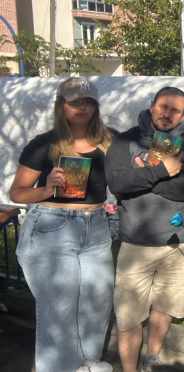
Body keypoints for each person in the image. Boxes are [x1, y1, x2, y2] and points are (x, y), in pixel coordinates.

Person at [10, 78, 114, 372]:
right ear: (61, 105)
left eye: (89, 102)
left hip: (95, 227)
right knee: (59, 312)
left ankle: (86, 364)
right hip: (51, 229)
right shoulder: (44, 144)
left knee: (96, 303)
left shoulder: (110, 140)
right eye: (75, 101)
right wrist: (46, 188)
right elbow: (17, 193)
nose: (83, 107)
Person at [105, 87, 184, 372]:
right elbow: (117, 184)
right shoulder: (126, 141)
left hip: (179, 244)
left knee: (166, 308)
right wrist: (160, 171)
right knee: (128, 316)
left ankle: (151, 359)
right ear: (152, 105)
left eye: (174, 110)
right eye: (162, 106)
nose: (167, 114)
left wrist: (145, 175)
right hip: (136, 245)